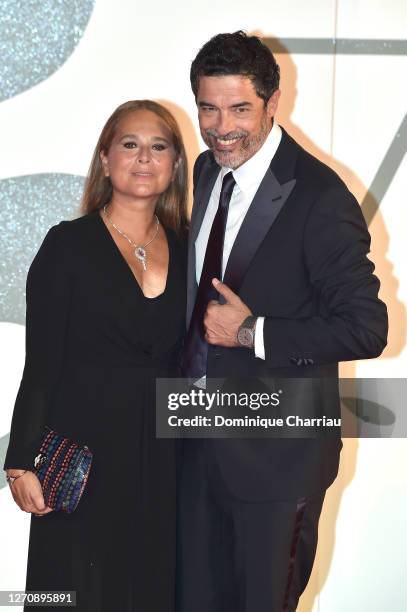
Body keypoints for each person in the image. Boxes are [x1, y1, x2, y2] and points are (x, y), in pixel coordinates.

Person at [178, 32, 388, 612]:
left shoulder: (321, 197)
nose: (222, 126)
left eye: (240, 109)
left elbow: (367, 327)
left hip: (277, 461)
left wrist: (252, 331)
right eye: (208, 108)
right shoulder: (205, 171)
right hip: (195, 448)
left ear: (273, 103)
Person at [3, 100, 188, 612]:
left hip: (165, 461)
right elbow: (40, 364)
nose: (144, 158)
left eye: (158, 147)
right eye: (129, 144)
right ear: (105, 159)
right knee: (74, 596)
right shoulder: (67, 246)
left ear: (174, 164)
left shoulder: (193, 249)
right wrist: (20, 463)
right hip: (83, 459)